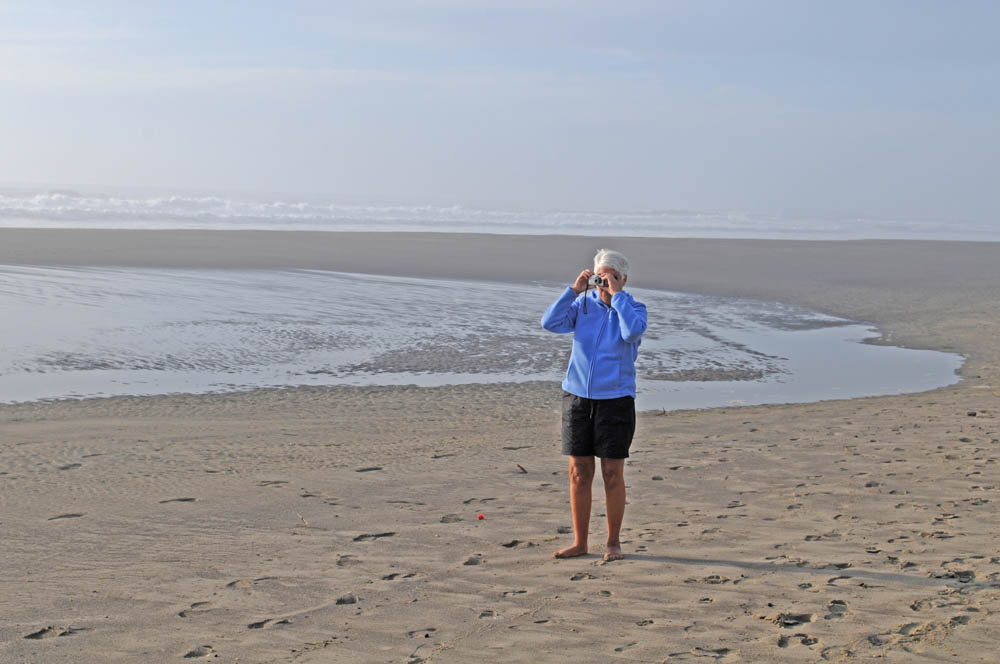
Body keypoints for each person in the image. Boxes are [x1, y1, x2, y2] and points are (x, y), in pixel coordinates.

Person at [541, 248, 647, 561]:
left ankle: (613, 542)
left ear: (624, 279)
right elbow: (550, 323)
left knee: (612, 474)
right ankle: (581, 541)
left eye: (612, 276)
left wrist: (618, 297)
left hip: (615, 400)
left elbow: (631, 332)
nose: (604, 281)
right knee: (579, 472)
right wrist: (574, 290)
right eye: (601, 275)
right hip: (577, 398)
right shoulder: (581, 305)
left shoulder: (634, 308)